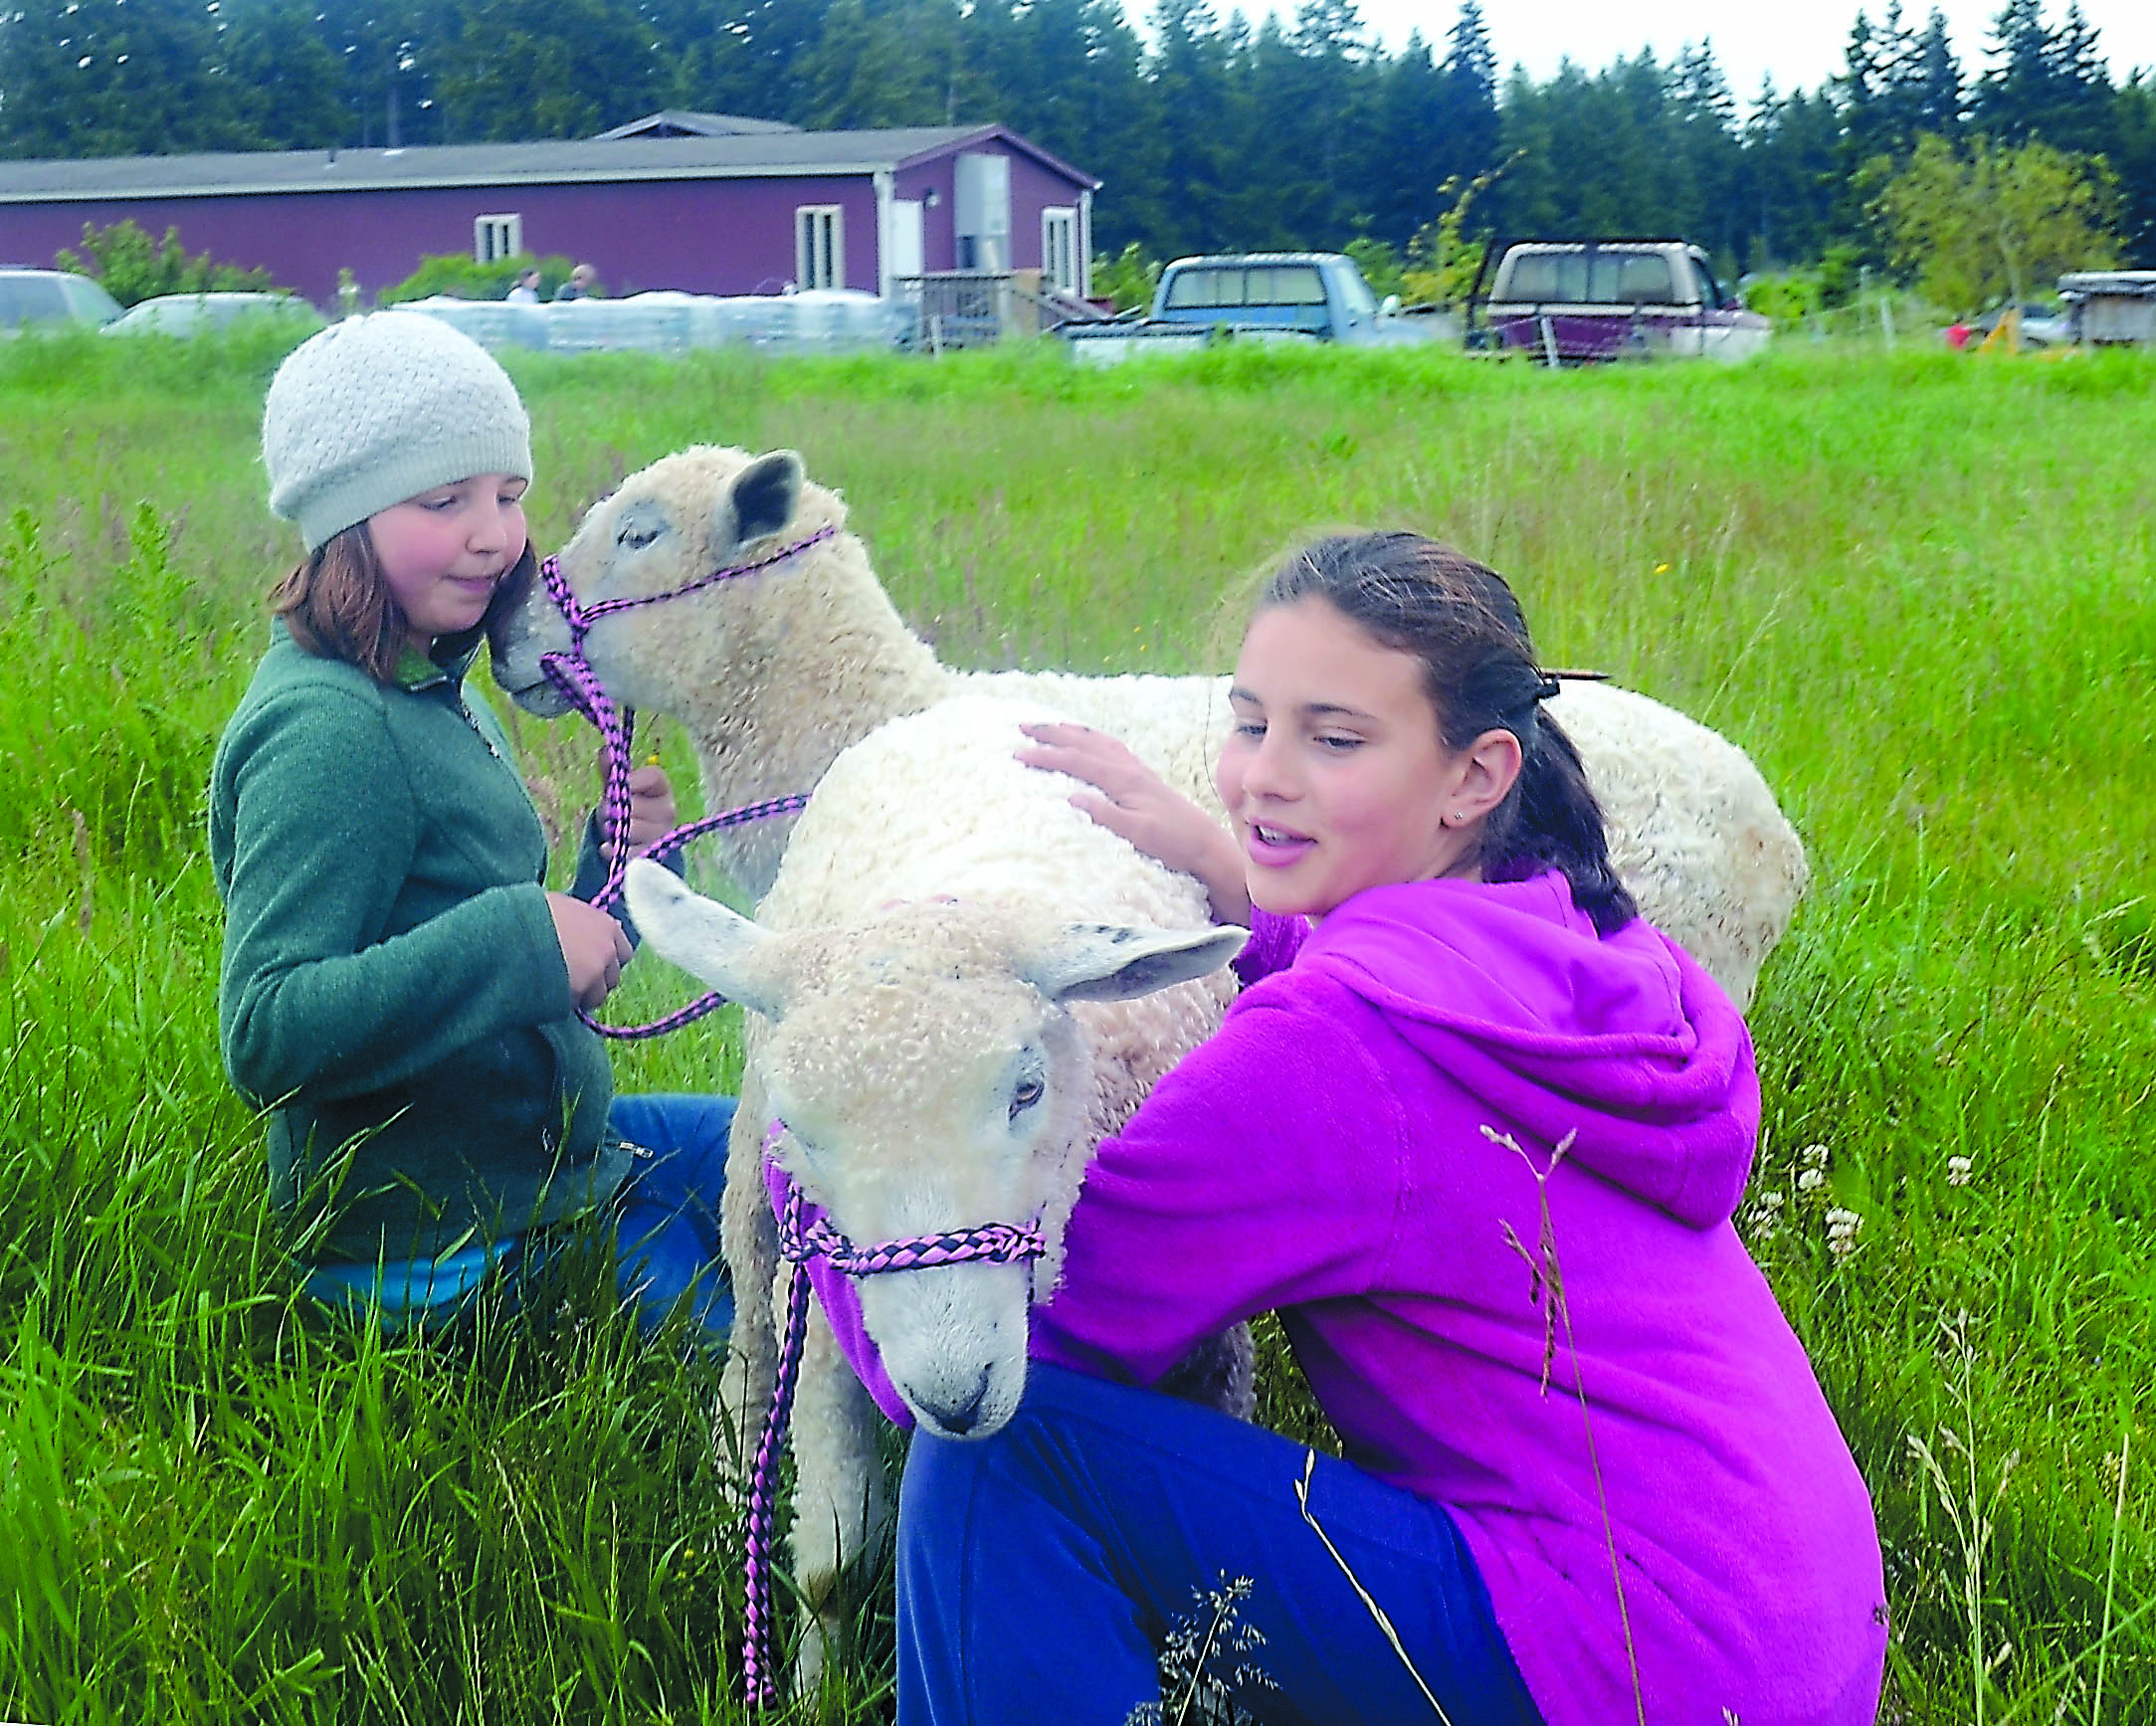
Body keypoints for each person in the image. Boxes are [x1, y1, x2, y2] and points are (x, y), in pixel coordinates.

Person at [884, 533, 1887, 1723]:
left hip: (1611, 1665)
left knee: (1002, 1454)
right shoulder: (1584, 941)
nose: (1263, 775)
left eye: (1333, 738)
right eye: (1249, 721)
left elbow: (999, 1347)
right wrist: (1229, 883)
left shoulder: (1327, 1053)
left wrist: (836, 1176)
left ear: (1475, 776)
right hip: (1783, 1637)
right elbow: (1387, 1059)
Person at [209, 309, 733, 1341]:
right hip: (444, 1246)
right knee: (752, 1357)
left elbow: (529, 961)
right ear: (344, 519)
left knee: (785, 1151)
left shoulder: (429, 682)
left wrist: (612, 869)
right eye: (444, 499)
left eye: (507, 493)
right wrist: (519, 937)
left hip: (534, 1161)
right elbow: (267, 1030)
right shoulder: (329, 732)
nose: (492, 533)